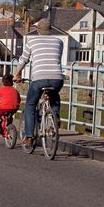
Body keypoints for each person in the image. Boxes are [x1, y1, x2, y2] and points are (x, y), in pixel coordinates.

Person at [13, 18, 65, 147]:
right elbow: (56, 58)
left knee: (30, 105)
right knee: (55, 95)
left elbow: (23, 60)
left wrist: (17, 74)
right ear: (50, 30)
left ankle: (29, 136)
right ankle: (55, 116)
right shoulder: (59, 41)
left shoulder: (31, 41)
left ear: (37, 30)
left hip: (39, 78)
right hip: (57, 77)